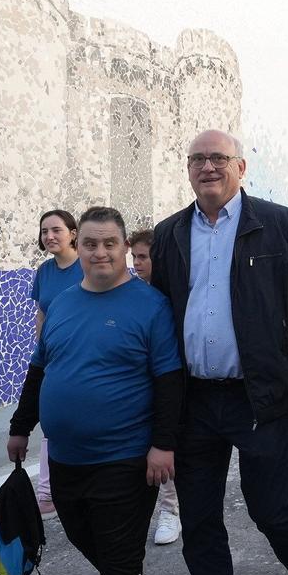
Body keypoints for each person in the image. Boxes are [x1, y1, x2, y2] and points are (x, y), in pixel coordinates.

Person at [147, 131, 288, 575]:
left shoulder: (277, 223)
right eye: (198, 159)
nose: (208, 168)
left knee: (268, 507)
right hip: (196, 402)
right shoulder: (169, 234)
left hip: (259, 395)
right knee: (200, 522)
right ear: (187, 169)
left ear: (241, 167)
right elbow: (162, 319)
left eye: (218, 159)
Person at [7, 208, 183, 575]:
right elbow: (39, 370)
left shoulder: (150, 306)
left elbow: (170, 380)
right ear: (77, 248)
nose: (100, 252)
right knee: (90, 542)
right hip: (65, 457)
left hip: (126, 457)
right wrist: (21, 427)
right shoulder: (62, 302)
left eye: (110, 243)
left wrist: (163, 444)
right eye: (90, 243)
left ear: (125, 247)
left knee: (119, 553)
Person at [128, 228, 181, 546]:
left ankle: (171, 511)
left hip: (170, 385)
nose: (136, 263)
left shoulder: (174, 295)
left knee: (165, 446)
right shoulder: (133, 294)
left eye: (143, 256)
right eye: (133, 256)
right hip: (139, 387)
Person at [28, 208, 82, 516]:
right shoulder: (44, 272)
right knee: (52, 421)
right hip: (54, 361)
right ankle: (47, 492)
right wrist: (42, 354)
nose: (49, 236)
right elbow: (42, 313)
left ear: (73, 233)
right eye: (45, 231)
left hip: (84, 358)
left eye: (56, 230)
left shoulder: (87, 267)